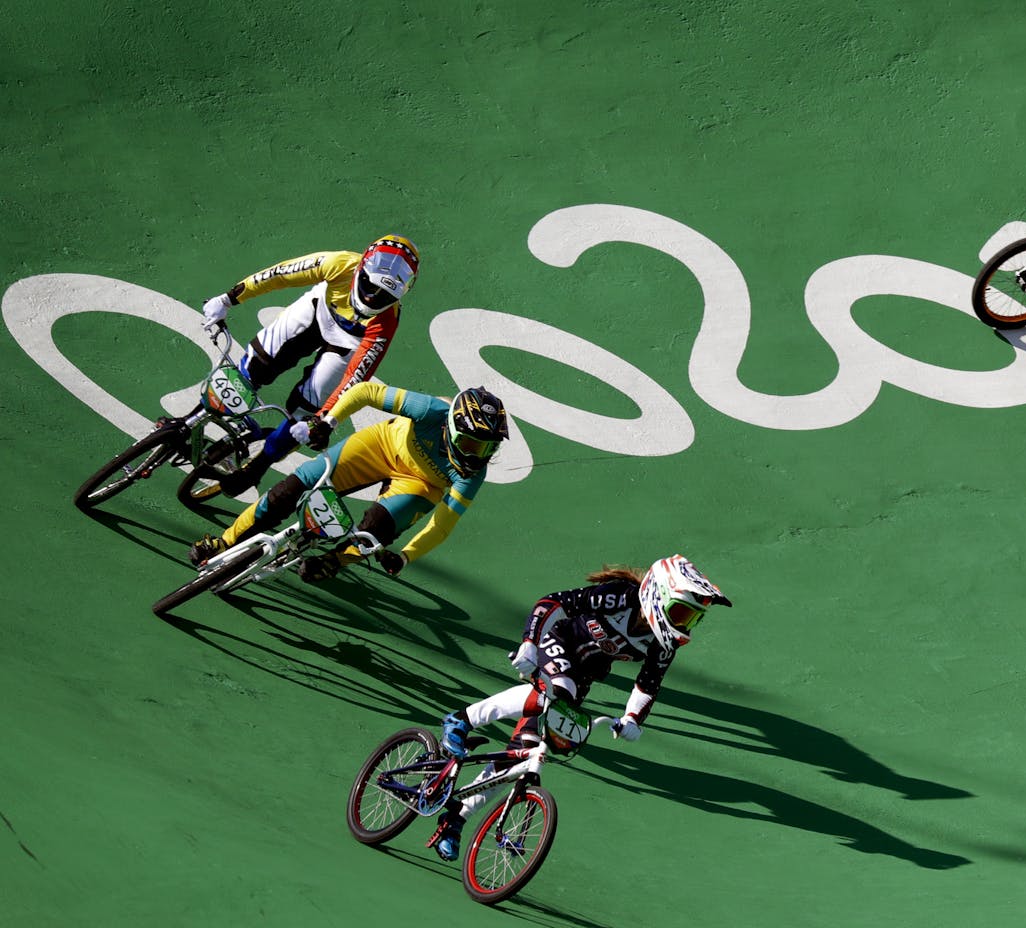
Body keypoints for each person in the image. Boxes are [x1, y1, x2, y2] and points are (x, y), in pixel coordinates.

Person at [426, 555, 732, 861]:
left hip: (582, 679)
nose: (682, 625)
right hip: (558, 644)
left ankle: (456, 818)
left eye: (691, 619)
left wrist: (632, 719)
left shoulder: (664, 643)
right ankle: (462, 719)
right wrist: (529, 642)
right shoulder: (620, 596)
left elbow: (649, 682)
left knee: (523, 754)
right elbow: (553, 603)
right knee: (557, 691)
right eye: (679, 613)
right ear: (657, 594)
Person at [187, 382, 507, 582]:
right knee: (290, 490)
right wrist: (328, 422)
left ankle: (333, 561)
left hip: (421, 485)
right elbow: (367, 391)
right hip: (381, 446)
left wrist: (406, 555)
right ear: (452, 427)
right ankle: (225, 541)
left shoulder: (472, 474)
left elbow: (442, 524)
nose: (478, 455)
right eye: (472, 444)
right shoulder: (431, 410)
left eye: (487, 447)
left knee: (376, 531)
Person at [196, 234, 420, 495]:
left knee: (307, 413)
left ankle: (257, 467)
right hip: (317, 311)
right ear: (361, 269)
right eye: (370, 286)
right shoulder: (339, 263)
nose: (372, 298)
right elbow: (279, 274)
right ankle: (193, 418)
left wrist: (325, 422)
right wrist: (228, 299)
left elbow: (355, 379)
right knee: (257, 364)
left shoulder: (386, 324)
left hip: (348, 344)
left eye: (384, 296)